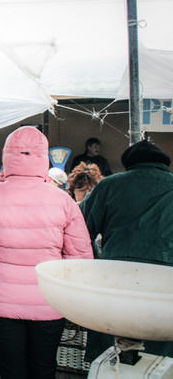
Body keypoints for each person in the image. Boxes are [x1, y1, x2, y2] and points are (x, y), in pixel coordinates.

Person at [0, 126, 93, 379]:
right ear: (44, 157)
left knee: (11, 369)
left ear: (7, 156)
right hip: (50, 302)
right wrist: (71, 299)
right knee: (44, 368)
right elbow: (80, 258)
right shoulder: (62, 200)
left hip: (2, 301)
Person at [80, 139, 173, 361]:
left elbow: (81, 230)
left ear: (129, 164)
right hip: (166, 280)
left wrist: (94, 260)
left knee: (114, 345)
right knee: (160, 351)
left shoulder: (110, 185)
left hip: (116, 275)